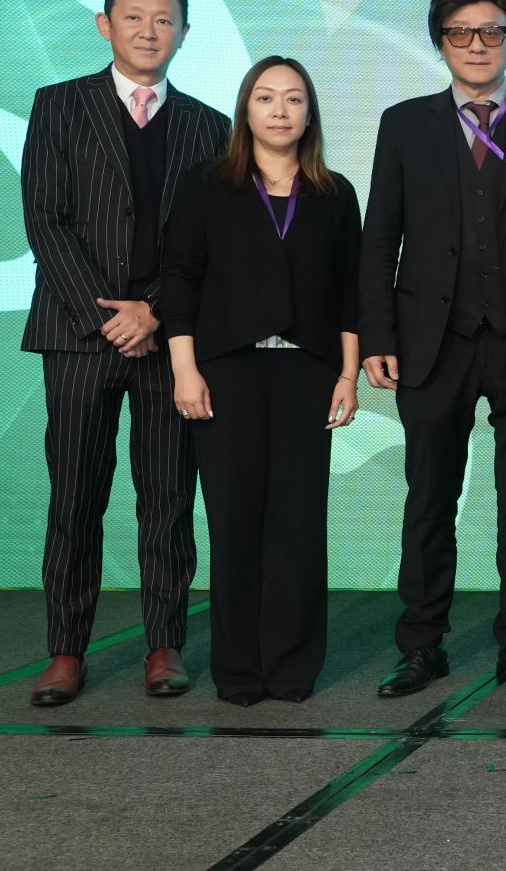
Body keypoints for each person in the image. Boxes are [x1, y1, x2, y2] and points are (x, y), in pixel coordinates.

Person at [360, 0, 506, 697]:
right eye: (461, 33)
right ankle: (421, 645)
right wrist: (379, 334)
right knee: (429, 499)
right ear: (440, 44)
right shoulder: (405, 124)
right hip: (432, 341)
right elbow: (380, 237)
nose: (477, 45)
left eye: (491, 31)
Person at [20, 0, 232, 707]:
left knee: (168, 498)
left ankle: (164, 645)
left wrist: (154, 313)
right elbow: (45, 220)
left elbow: (208, 243)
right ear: (105, 25)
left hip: (170, 343)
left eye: (164, 19)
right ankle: (65, 651)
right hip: (78, 336)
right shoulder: (59, 105)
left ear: (184, 32)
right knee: (75, 497)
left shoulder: (209, 126)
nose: (149, 31)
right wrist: (110, 318)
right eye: (134, 17)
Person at [162, 57, 361, 705]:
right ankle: (240, 670)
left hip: (308, 372)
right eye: (266, 97)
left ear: (310, 113)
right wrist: (185, 368)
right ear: (246, 109)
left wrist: (348, 375)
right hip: (228, 372)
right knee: (235, 521)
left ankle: (293, 667)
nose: (280, 110)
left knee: (298, 524)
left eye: (294, 99)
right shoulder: (208, 185)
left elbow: (351, 291)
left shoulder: (334, 194)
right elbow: (181, 278)